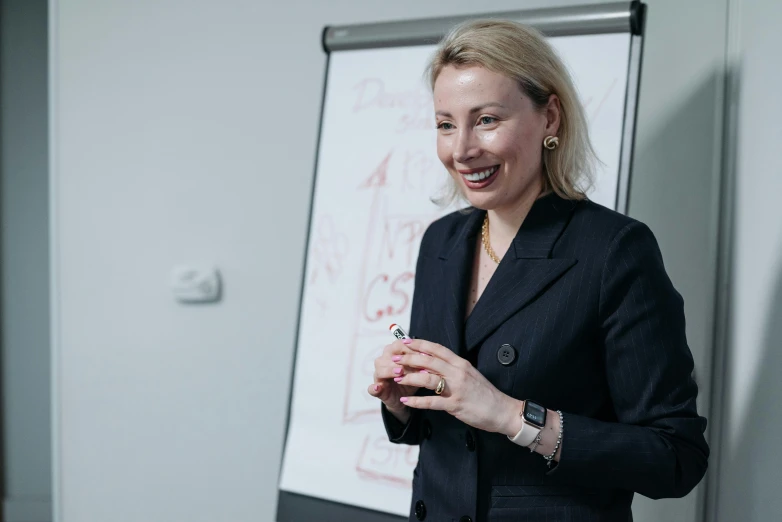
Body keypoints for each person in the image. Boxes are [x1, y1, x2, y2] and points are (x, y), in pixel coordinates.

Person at [367, 19, 709, 522]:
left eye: (486, 120)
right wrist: (402, 401)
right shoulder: (440, 242)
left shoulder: (614, 250)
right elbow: (451, 436)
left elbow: (675, 457)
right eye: (445, 124)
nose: (461, 150)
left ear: (549, 118)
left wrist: (511, 415)